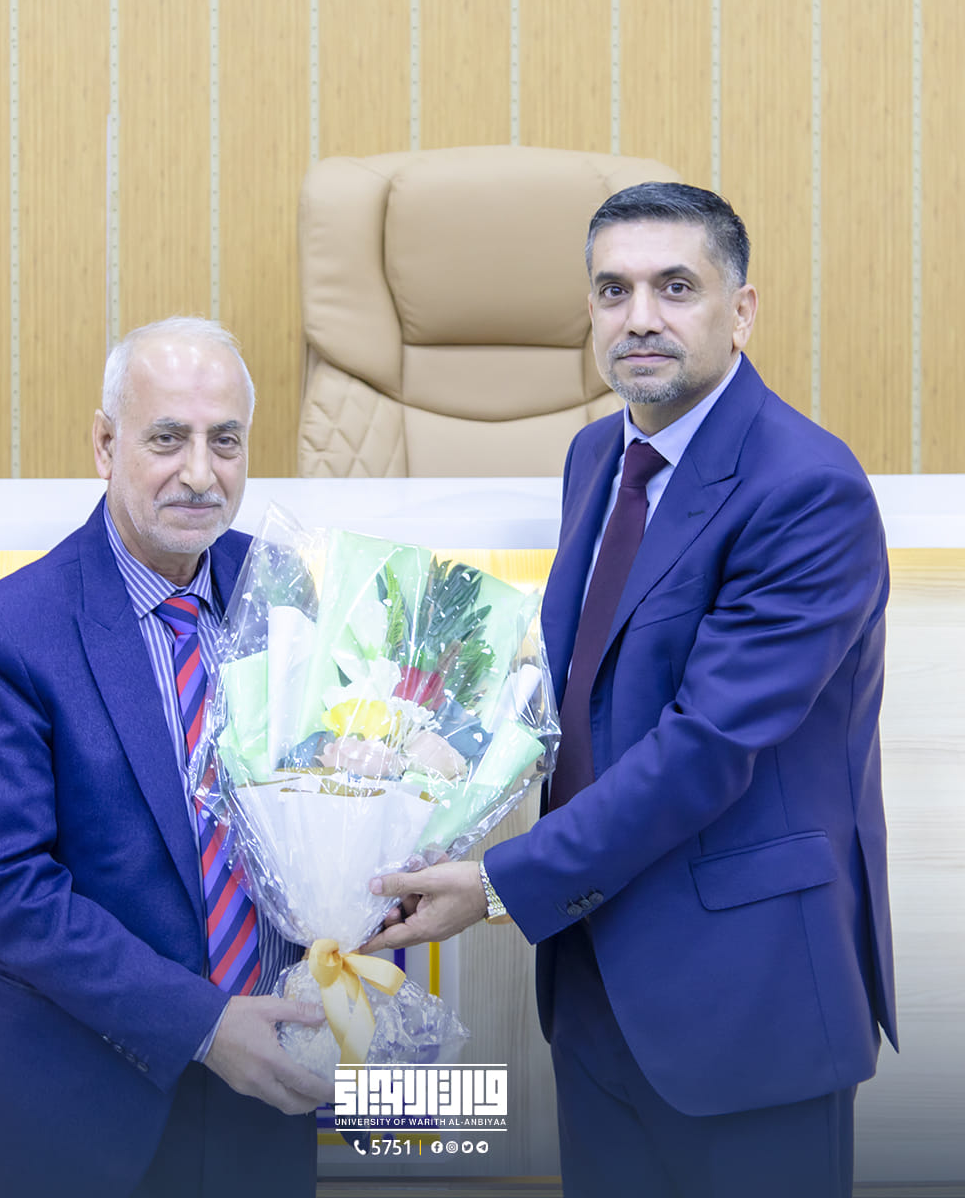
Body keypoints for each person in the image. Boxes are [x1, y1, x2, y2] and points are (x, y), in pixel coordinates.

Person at [366, 183, 897, 1197]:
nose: (640, 316)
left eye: (675, 286)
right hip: (595, 984)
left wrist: (495, 884)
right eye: (614, 290)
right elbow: (581, 690)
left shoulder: (806, 488)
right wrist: (404, 774)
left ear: (741, 311)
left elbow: (704, 750)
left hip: (745, 1001)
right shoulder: (597, 457)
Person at [0, 317, 328, 1198]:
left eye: (225, 441)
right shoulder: (5, 632)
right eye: (166, 439)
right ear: (106, 445)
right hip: (82, 1114)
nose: (200, 473)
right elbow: (12, 891)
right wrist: (204, 1024)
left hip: (269, 1091)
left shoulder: (289, 593)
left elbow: (330, 799)